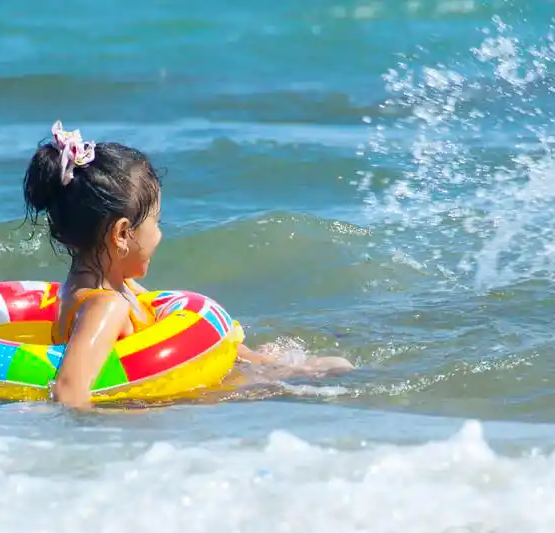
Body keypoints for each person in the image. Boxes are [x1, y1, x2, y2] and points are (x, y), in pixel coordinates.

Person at [23, 120, 353, 409]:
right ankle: (285, 375)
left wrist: (267, 363)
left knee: (296, 369)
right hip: (143, 404)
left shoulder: (106, 288)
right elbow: (69, 391)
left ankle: (279, 366)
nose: (160, 234)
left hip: (157, 388)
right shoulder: (104, 305)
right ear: (123, 233)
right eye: (157, 221)